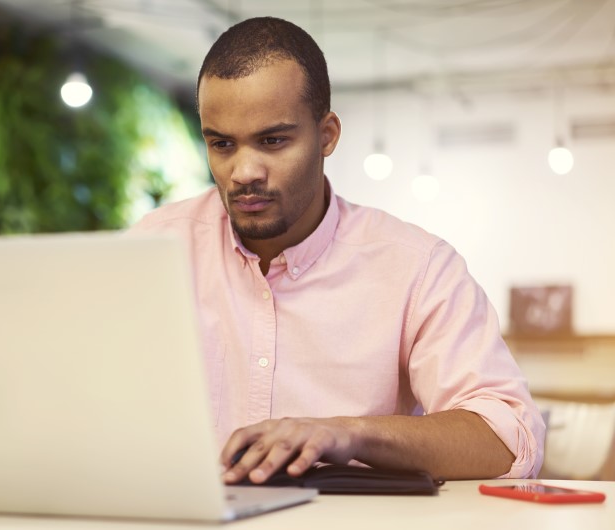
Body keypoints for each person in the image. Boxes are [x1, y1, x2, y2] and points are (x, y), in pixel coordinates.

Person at [130, 16, 544, 484]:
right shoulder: (151, 249)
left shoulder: (417, 267)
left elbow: (508, 440)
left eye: (273, 140)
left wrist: (348, 433)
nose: (243, 172)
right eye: (222, 144)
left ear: (326, 135)